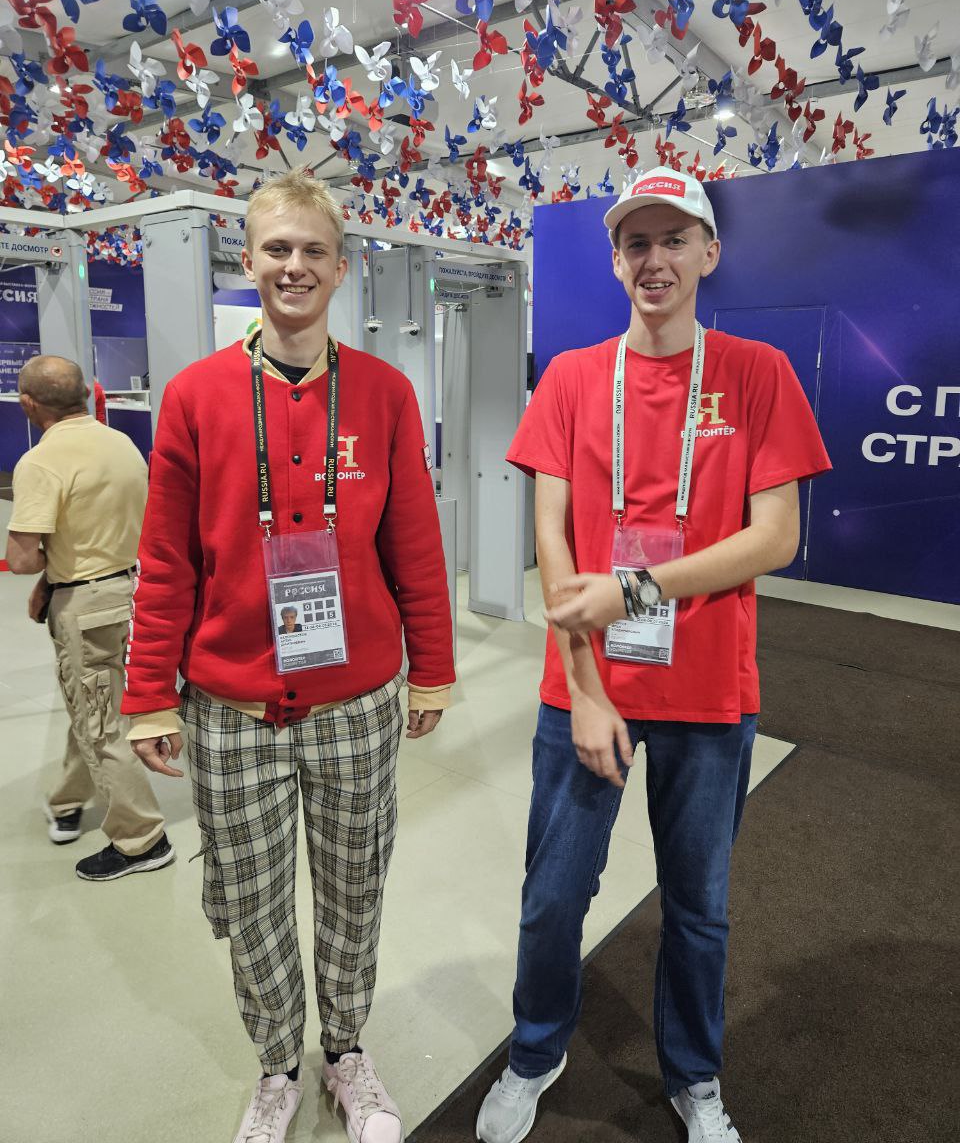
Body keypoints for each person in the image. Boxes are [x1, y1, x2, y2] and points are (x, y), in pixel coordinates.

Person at [477, 167, 831, 1143]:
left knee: (699, 906)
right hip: (585, 689)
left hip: (711, 692)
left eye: (675, 239)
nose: (655, 259)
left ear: (709, 253)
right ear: (616, 261)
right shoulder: (572, 377)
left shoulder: (757, 373)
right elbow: (553, 540)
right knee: (554, 896)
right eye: (637, 242)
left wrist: (635, 589)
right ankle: (534, 1051)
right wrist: (585, 688)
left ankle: (695, 1076)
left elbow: (777, 536)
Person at [123, 171, 455, 1143]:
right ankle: (277, 1064)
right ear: (248, 260)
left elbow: (415, 546)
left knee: (354, 888)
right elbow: (166, 560)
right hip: (230, 708)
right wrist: (148, 694)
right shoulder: (196, 396)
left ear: (342, 268)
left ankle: (345, 1052)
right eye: (277, 248)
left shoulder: (385, 394)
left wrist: (433, 667)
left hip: (357, 701)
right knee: (254, 903)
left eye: (314, 250)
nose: (294, 266)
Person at [5, 355, 173, 880]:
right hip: (133, 592)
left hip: (85, 608)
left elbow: (22, 558)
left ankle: (142, 839)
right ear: (86, 394)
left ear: (28, 404)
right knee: (94, 705)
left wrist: (48, 572)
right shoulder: (120, 444)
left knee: (101, 725)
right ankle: (68, 800)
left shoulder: (39, 463)